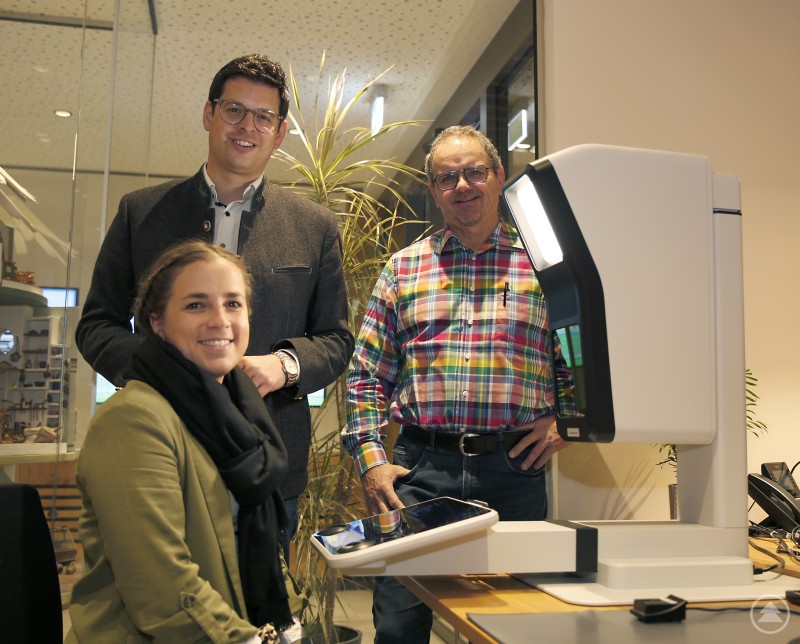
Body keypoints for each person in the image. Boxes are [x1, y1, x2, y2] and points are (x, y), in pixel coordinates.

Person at [75, 53, 354, 561]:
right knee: (158, 605)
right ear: (209, 114)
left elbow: (336, 339)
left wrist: (284, 366)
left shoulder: (314, 227)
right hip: (159, 449)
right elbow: (96, 323)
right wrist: (156, 370)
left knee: (257, 612)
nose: (247, 126)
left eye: (263, 117)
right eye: (233, 110)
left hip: (268, 460)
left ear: (280, 131)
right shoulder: (141, 213)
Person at [342, 125, 575, 643]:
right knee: (400, 624)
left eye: (474, 172)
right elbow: (364, 377)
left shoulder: (544, 266)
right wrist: (372, 462)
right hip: (421, 474)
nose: (462, 185)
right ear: (434, 190)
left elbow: (580, 364)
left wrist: (567, 423)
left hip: (515, 472)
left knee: (515, 626)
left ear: (499, 176)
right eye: (448, 177)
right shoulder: (403, 270)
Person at [67, 241, 303, 642]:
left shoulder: (241, 412)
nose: (220, 320)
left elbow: (251, 544)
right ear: (156, 323)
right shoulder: (134, 420)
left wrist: (285, 629)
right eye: (196, 305)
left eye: (233, 304)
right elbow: (161, 589)